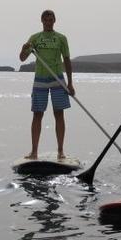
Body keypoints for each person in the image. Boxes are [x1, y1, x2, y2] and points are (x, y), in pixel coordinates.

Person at [19, 10, 75, 160]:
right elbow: (22, 59)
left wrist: (70, 83)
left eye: (51, 20)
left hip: (57, 79)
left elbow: (67, 61)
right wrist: (24, 49)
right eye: (46, 20)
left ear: (55, 21)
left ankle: (60, 151)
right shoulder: (35, 38)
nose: (48, 22)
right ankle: (34, 152)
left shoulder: (61, 38)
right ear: (42, 21)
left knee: (59, 114)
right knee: (37, 114)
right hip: (40, 79)